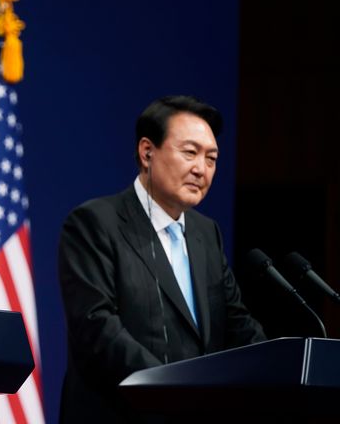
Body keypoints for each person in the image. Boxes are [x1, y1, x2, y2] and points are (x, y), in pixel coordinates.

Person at [58, 95, 266, 422]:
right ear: (147, 152)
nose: (202, 169)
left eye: (212, 158)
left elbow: (237, 324)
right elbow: (97, 329)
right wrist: (174, 390)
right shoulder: (95, 223)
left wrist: (276, 364)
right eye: (190, 152)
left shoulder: (206, 234)